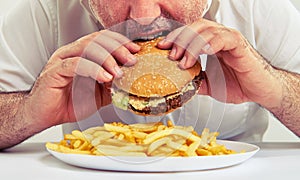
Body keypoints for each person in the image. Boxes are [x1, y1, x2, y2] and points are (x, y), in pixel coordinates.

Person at [0, 0, 299, 150]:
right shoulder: (44, 9)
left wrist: (277, 90)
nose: (143, 16)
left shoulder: (260, 7)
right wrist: (27, 112)